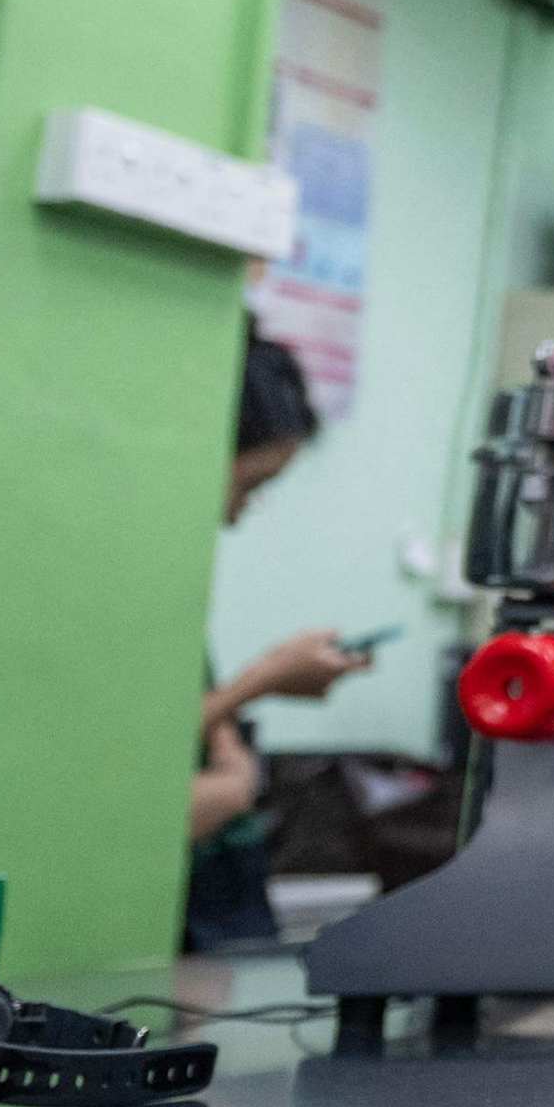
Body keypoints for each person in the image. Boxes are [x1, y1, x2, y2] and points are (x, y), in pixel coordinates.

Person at [189, 329, 369, 939]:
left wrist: (233, 772)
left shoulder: (184, 595)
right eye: (247, 487)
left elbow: (212, 742)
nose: (237, 515)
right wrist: (263, 678)